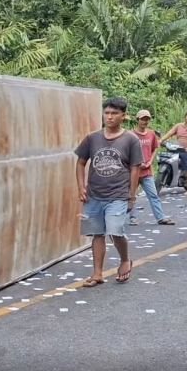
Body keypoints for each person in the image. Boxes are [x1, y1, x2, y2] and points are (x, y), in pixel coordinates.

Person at [76, 98, 143, 287]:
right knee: (97, 233)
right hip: (94, 195)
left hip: (118, 195)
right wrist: (81, 186)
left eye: (114, 113)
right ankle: (97, 273)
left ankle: (125, 259)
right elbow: (81, 162)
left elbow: (135, 169)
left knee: (115, 231)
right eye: (107, 113)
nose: (110, 117)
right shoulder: (92, 138)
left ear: (123, 116)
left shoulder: (131, 139)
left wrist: (131, 195)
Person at [129, 110, 175, 226]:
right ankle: (132, 217)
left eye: (147, 119)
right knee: (131, 195)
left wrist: (150, 161)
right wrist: (136, 163)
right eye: (142, 119)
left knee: (153, 195)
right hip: (133, 171)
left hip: (147, 171)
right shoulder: (130, 135)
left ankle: (160, 217)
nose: (145, 122)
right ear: (137, 120)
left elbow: (155, 148)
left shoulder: (151, 134)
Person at [160, 111, 187, 195]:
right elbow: (169, 133)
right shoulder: (179, 126)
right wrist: (161, 140)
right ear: (185, 117)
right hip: (177, 148)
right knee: (166, 157)